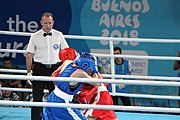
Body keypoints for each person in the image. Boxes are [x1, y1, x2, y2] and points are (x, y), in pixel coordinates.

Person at [26, 12, 69, 120]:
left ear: (53, 22)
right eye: (45, 23)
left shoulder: (59, 35)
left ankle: (54, 118)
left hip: (55, 69)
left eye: (50, 23)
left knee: (56, 97)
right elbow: (29, 54)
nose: (48, 25)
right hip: (39, 68)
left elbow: (67, 53)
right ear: (41, 23)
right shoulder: (35, 36)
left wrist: (63, 70)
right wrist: (28, 72)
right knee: (37, 98)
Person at [42, 52, 99, 120]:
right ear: (85, 65)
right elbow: (97, 83)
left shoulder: (68, 62)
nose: (90, 70)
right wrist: (95, 71)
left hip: (52, 97)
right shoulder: (80, 72)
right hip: (63, 102)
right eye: (90, 68)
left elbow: (55, 73)